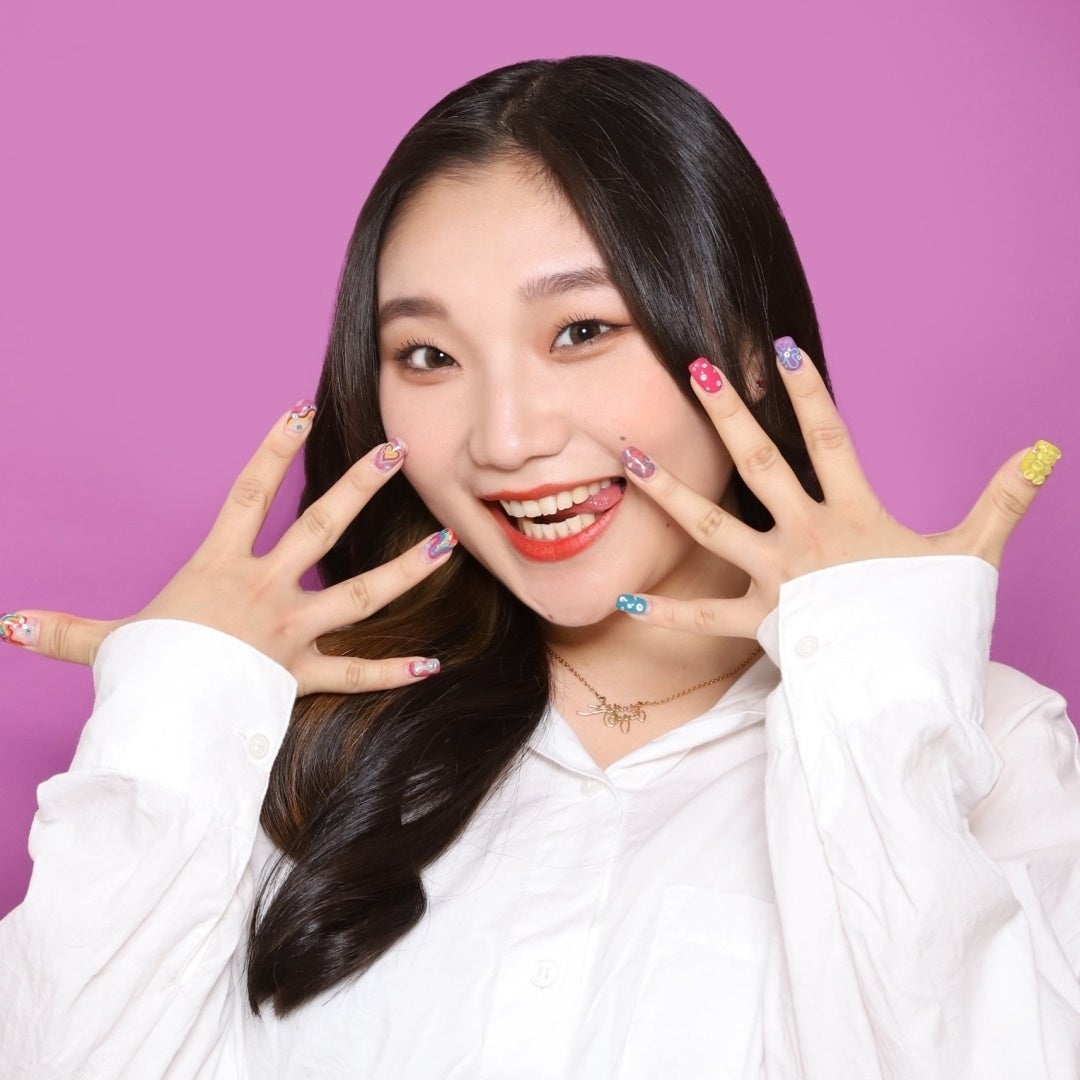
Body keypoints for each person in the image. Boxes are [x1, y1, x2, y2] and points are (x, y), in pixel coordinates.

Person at [0, 54, 1077, 1079]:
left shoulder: (976, 738)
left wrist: (875, 681)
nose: (505, 440)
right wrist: (183, 707)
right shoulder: (284, 740)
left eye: (580, 331)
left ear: (749, 351)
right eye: (429, 356)